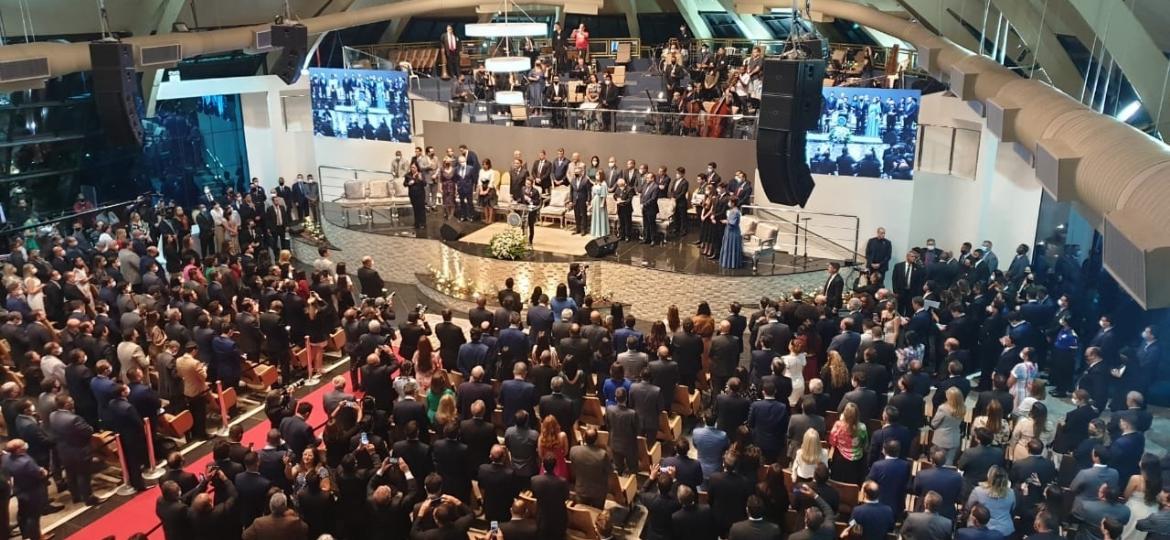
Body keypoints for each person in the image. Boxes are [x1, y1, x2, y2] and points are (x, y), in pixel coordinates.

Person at [932, 386, 966, 465]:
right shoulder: (963, 408)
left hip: (941, 439)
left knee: (938, 462)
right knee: (949, 462)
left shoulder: (943, 408)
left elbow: (934, 423)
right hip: (954, 438)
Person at [405, 162, 427, 229]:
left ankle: (423, 223)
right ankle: (417, 223)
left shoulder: (420, 174)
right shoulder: (408, 175)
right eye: (411, 167)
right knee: (415, 209)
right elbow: (405, 184)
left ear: (417, 168)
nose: (412, 169)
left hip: (420, 194)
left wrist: (421, 179)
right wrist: (409, 183)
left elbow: (425, 184)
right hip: (412, 194)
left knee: (421, 208)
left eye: (414, 167)